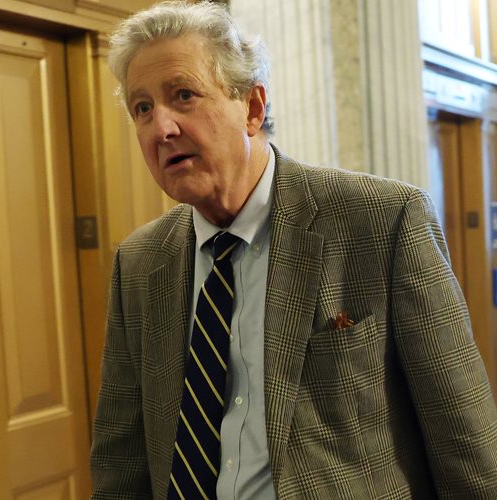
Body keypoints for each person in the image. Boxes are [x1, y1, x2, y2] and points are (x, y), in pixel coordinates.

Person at [90, 1, 497, 498]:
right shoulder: (139, 262)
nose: (161, 129)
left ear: (253, 108)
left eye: (184, 95)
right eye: (143, 108)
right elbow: (121, 460)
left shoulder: (382, 220)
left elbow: (465, 440)